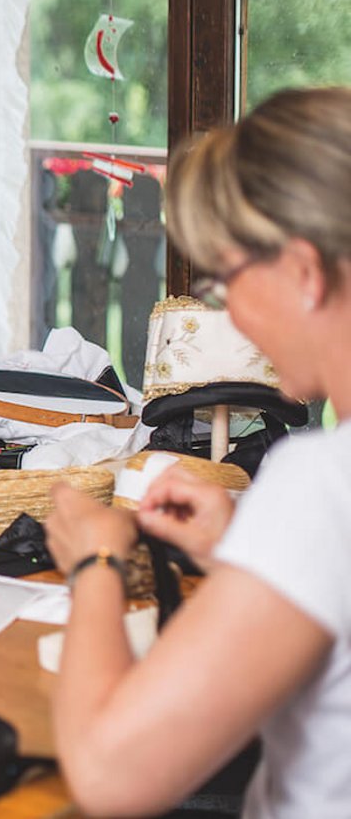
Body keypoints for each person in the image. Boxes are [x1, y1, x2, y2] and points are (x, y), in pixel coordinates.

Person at [44, 87, 351, 816]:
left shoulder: (321, 483)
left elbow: (107, 777)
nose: (231, 315)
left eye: (226, 280)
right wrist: (244, 549)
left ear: (305, 273)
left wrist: (95, 560)